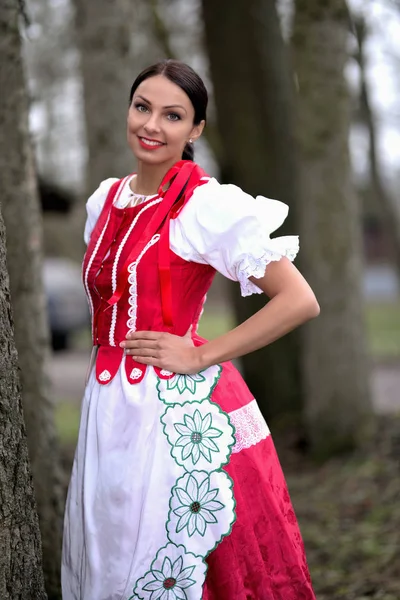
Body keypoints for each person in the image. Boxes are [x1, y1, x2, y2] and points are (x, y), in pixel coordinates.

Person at [62, 59, 319, 600]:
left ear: (195, 130)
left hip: (173, 414)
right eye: (142, 107)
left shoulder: (206, 206)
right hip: (106, 409)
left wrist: (203, 355)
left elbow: (298, 300)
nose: (152, 125)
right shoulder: (104, 199)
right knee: (108, 551)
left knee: (165, 556)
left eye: (172, 115)